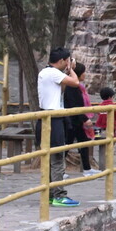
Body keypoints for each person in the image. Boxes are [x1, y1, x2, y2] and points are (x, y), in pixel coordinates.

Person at [36, 48, 81, 207]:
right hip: (53, 118)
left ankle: (50, 193)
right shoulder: (53, 73)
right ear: (62, 61)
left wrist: (67, 71)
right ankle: (59, 195)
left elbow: (61, 89)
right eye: (68, 60)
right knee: (57, 159)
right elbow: (75, 83)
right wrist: (71, 71)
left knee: (50, 158)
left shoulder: (47, 73)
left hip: (48, 117)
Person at [63, 62, 101, 177]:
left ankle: (87, 169)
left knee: (83, 143)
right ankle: (59, 170)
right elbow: (74, 105)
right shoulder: (71, 87)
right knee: (67, 145)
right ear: (78, 74)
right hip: (72, 120)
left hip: (77, 120)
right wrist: (84, 118)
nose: (85, 74)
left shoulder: (79, 87)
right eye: (83, 72)